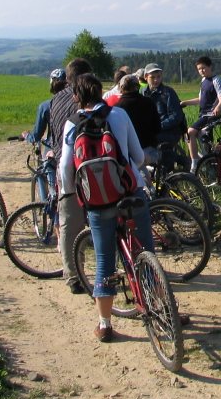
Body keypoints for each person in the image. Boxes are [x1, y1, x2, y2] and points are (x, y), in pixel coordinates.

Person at [58, 73, 154, 343]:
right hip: (130, 192)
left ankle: (105, 324)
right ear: (101, 92)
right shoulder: (120, 115)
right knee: (145, 250)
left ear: (76, 97)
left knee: (104, 260)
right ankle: (161, 305)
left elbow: (65, 168)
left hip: (98, 202)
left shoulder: (72, 123)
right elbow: (138, 156)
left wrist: (73, 194)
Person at [49, 58, 93, 295]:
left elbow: (54, 135)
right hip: (87, 166)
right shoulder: (85, 99)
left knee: (69, 223)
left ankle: (73, 276)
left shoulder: (55, 99)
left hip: (63, 167)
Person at [21, 68, 66, 203]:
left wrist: (27, 136)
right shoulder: (75, 103)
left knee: (43, 173)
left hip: (53, 148)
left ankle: (49, 201)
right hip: (70, 148)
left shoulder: (45, 106)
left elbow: (37, 135)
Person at [180, 56, 221, 172]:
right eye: (199, 69)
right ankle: (208, 162)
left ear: (210, 66)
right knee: (201, 138)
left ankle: (195, 163)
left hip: (211, 114)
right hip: (203, 114)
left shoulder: (216, 80)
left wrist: (218, 107)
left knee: (190, 132)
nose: (201, 71)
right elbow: (201, 100)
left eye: (203, 68)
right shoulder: (203, 81)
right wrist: (185, 103)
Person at [142, 63, 186, 170]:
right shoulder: (143, 92)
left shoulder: (168, 92)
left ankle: (180, 161)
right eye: (152, 77)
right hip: (153, 129)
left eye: (159, 77)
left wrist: (157, 126)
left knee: (152, 142)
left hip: (171, 130)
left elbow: (176, 116)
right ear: (146, 77)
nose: (156, 80)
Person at [116, 73, 161, 166]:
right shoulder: (149, 102)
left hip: (128, 154)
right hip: (149, 150)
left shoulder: (117, 108)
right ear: (138, 87)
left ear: (121, 88)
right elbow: (158, 128)